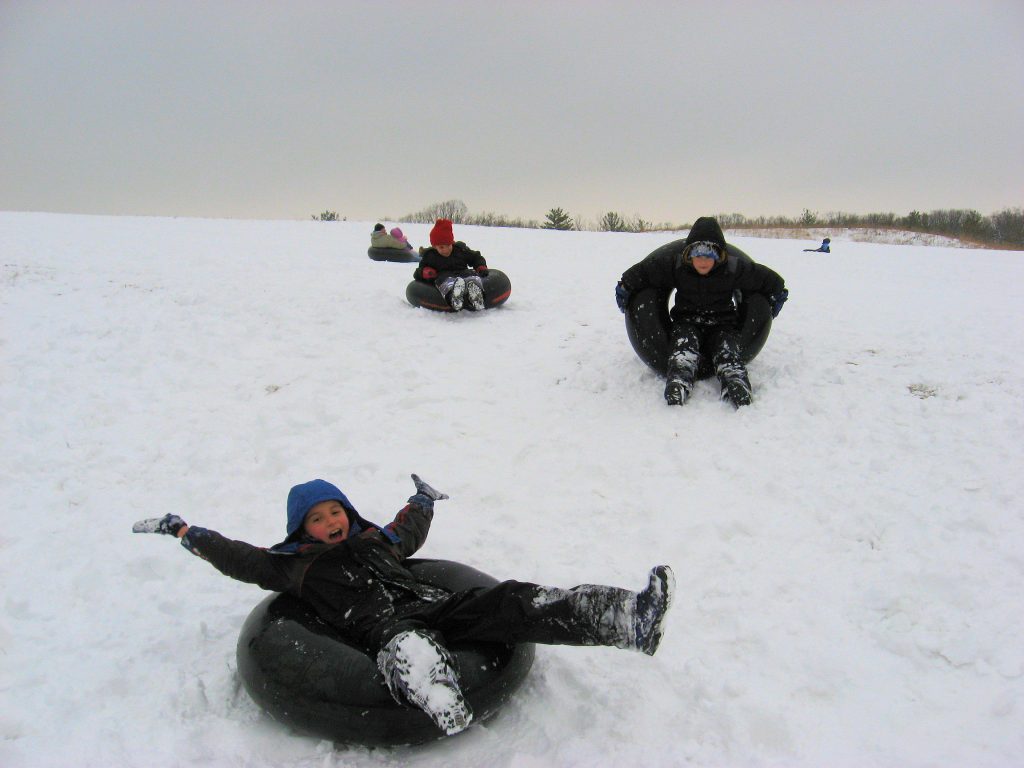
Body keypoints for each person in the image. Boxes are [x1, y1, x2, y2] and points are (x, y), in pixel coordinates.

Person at [132, 475, 675, 736]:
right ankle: (440, 698)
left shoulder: (376, 542)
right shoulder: (292, 567)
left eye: (334, 512)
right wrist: (185, 531)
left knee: (511, 598)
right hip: (379, 626)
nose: (330, 523)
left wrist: (421, 499)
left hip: (436, 602)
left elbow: (406, 530)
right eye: (316, 519)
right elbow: (238, 557)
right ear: (302, 528)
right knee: (406, 647)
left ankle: (628, 617)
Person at [615, 216, 788, 407]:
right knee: (683, 346)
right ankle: (679, 380)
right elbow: (647, 271)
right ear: (689, 254)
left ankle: (735, 380)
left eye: (709, 255)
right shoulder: (677, 267)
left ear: (719, 255)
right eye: (698, 254)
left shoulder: (732, 269)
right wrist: (625, 284)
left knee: (727, 348)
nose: (703, 261)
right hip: (687, 321)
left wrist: (778, 291)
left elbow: (761, 276)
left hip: (721, 323)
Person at [413, 219, 489, 311]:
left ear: (452, 242)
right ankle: (455, 298)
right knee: (444, 281)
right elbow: (418, 272)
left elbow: (475, 257)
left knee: (471, 276)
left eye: (448, 245)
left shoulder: (460, 250)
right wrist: (426, 272)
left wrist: (480, 266)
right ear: (434, 246)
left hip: (463, 273)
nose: (446, 250)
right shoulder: (430, 256)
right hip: (445, 276)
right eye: (441, 247)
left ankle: (476, 296)